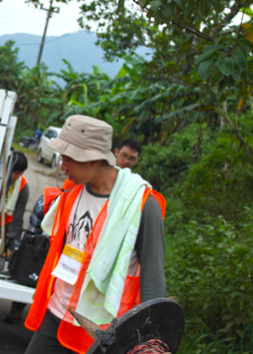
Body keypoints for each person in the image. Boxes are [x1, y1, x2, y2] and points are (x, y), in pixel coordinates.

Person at [23, 115, 166, 354]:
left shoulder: (140, 205)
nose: (62, 166)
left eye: (68, 158)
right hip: (59, 313)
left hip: (105, 330)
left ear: (93, 160)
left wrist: (152, 340)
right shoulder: (70, 190)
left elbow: (153, 280)